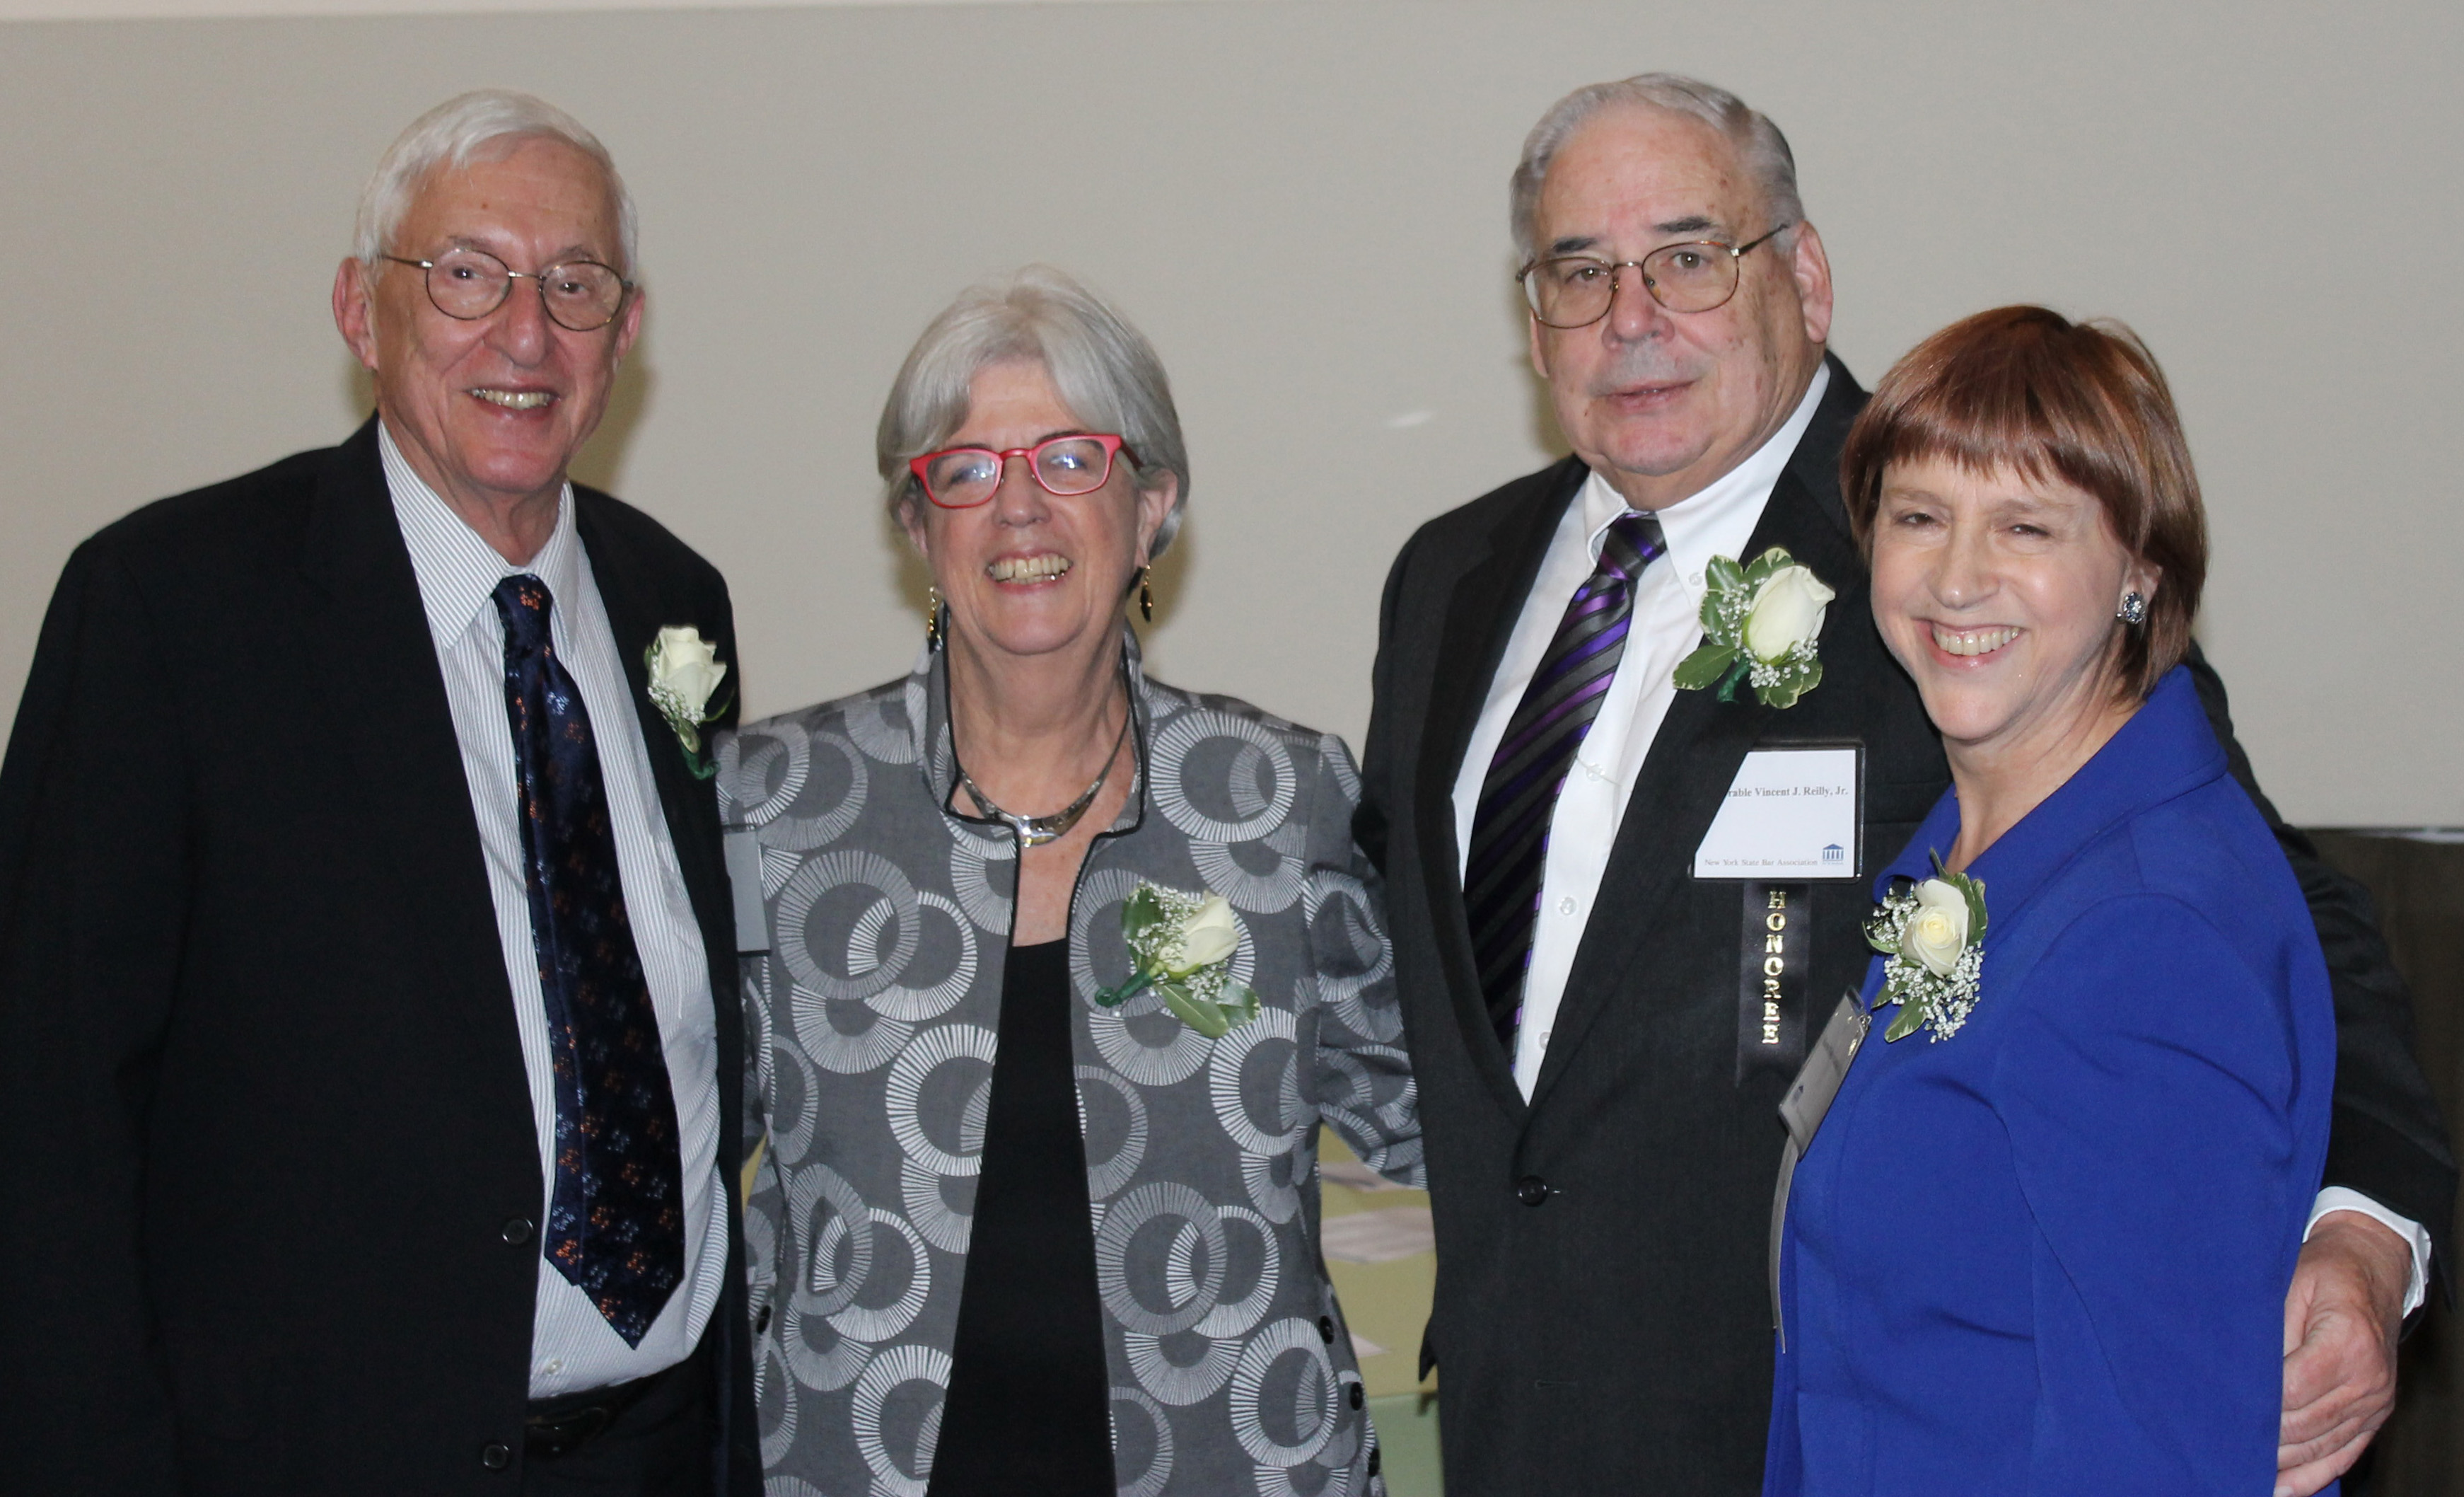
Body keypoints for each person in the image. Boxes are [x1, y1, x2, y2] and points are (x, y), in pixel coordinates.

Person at [1354, 73, 2453, 1495]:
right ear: (1533, 319)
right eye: (1581, 271)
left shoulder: (1963, 573)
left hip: (1851, 1431)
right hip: (1516, 1423)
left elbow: (2273, 930)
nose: (1632, 318)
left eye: (1689, 256)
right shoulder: (1449, 581)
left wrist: (2362, 1232)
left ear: (1805, 278)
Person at [0, 91, 759, 1492]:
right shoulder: (172, 608)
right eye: (467, 273)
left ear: (625, 332)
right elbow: (46, 1108)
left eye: (574, 284)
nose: (524, 333)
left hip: (656, 1454)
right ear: (362, 309)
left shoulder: (675, 607)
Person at [721, 265, 1419, 1497]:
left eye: (1069, 460)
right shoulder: (780, 804)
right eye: (967, 470)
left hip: (1231, 1464)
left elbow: (1436, 1117)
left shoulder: (1274, 801)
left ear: (1151, 507)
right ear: (918, 526)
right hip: (855, 1465)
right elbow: (662, 1145)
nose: (1019, 510)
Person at [1763, 305, 2332, 1492]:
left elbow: (2169, 1458)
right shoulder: (1982, 849)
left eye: (2025, 526)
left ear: (2141, 570)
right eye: (1919, 517)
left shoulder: (2146, 935)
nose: (1958, 578)